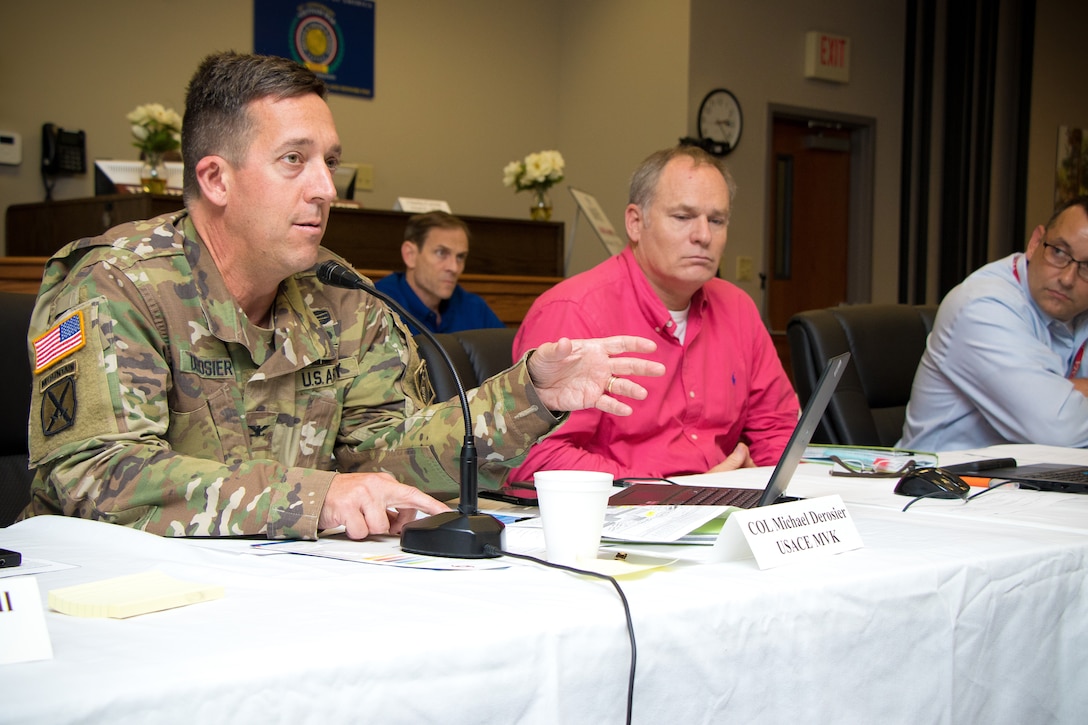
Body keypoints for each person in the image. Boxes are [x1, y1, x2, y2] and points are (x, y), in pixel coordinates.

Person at [20, 51, 664, 541]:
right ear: (215, 178)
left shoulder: (340, 297)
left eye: (330, 160)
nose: (327, 187)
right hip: (113, 602)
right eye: (294, 160)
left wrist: (528, 395)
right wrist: (315, 498)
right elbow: (94, 474)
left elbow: (392, 457)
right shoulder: (116, 285)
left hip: (286, 591)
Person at [507, 145, 800, 482]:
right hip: (616, 521)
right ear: (635, 222)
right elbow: (537, 461)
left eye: (716, 220)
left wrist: (766, 486)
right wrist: (670, 491)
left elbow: (776, 427)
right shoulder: (574, 312)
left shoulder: (737, 308)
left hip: (728, 508)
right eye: (683, 217)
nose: (703, 236)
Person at [899, 195, 1088, 451]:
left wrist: (1058, 392)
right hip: (943, 482)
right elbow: (1059, 429)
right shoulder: (981, 306)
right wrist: (1059, 398)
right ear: (1035, 243)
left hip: (1028, 479)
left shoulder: (1078, 311)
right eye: (1058, 252)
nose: (1067, 278)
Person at [374, 211, 505, 334]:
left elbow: (510, 355)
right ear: (410, 255)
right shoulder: (378, 305)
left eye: (460, 257)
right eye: (441, 253)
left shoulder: (474, 307)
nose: (454, 268)